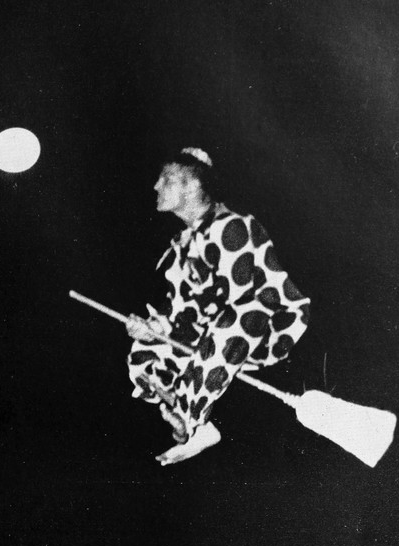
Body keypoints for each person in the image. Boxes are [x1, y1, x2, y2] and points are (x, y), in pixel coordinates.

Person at [126, 147, 310, 465]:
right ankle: (190, 416)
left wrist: (184, 334)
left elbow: (238, 300)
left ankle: (189, 413)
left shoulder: (231, 227)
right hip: (214, 332)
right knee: (143, 353)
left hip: (265, 325)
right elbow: (183, 310)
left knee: (237, 318)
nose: (156, 185)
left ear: (192, 186)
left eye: (166, 179)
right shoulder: (184, 244)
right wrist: (155, 329)